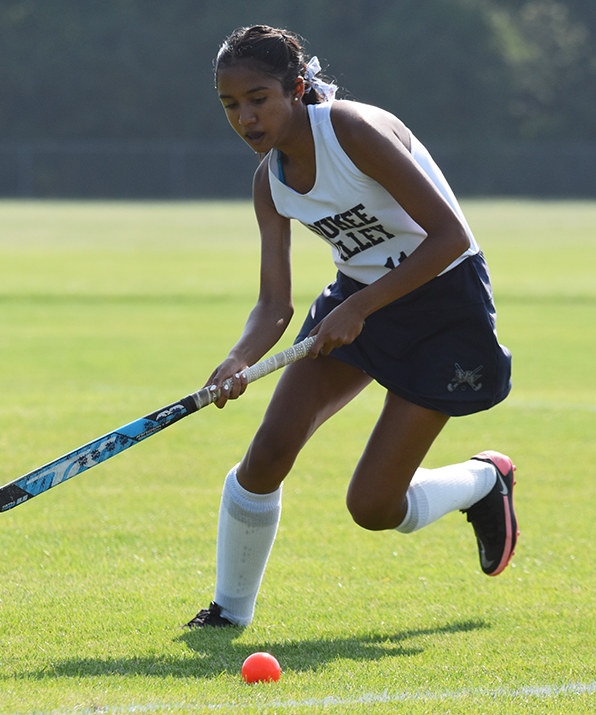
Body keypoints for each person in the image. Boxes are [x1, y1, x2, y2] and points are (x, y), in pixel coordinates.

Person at [185, 25, 517, 629]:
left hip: (445, 306)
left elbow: (450, 238)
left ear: (297, 88)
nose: (246, 118)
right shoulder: (271, 182)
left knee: (371, 507)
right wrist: (238, 359)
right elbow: (274, 307)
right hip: (356, 301)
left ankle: (482, 480)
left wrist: (361, 309)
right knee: (266, 454)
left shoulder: (352, 131)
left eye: (259, 98)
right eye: (231, 105)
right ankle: (228, 615)